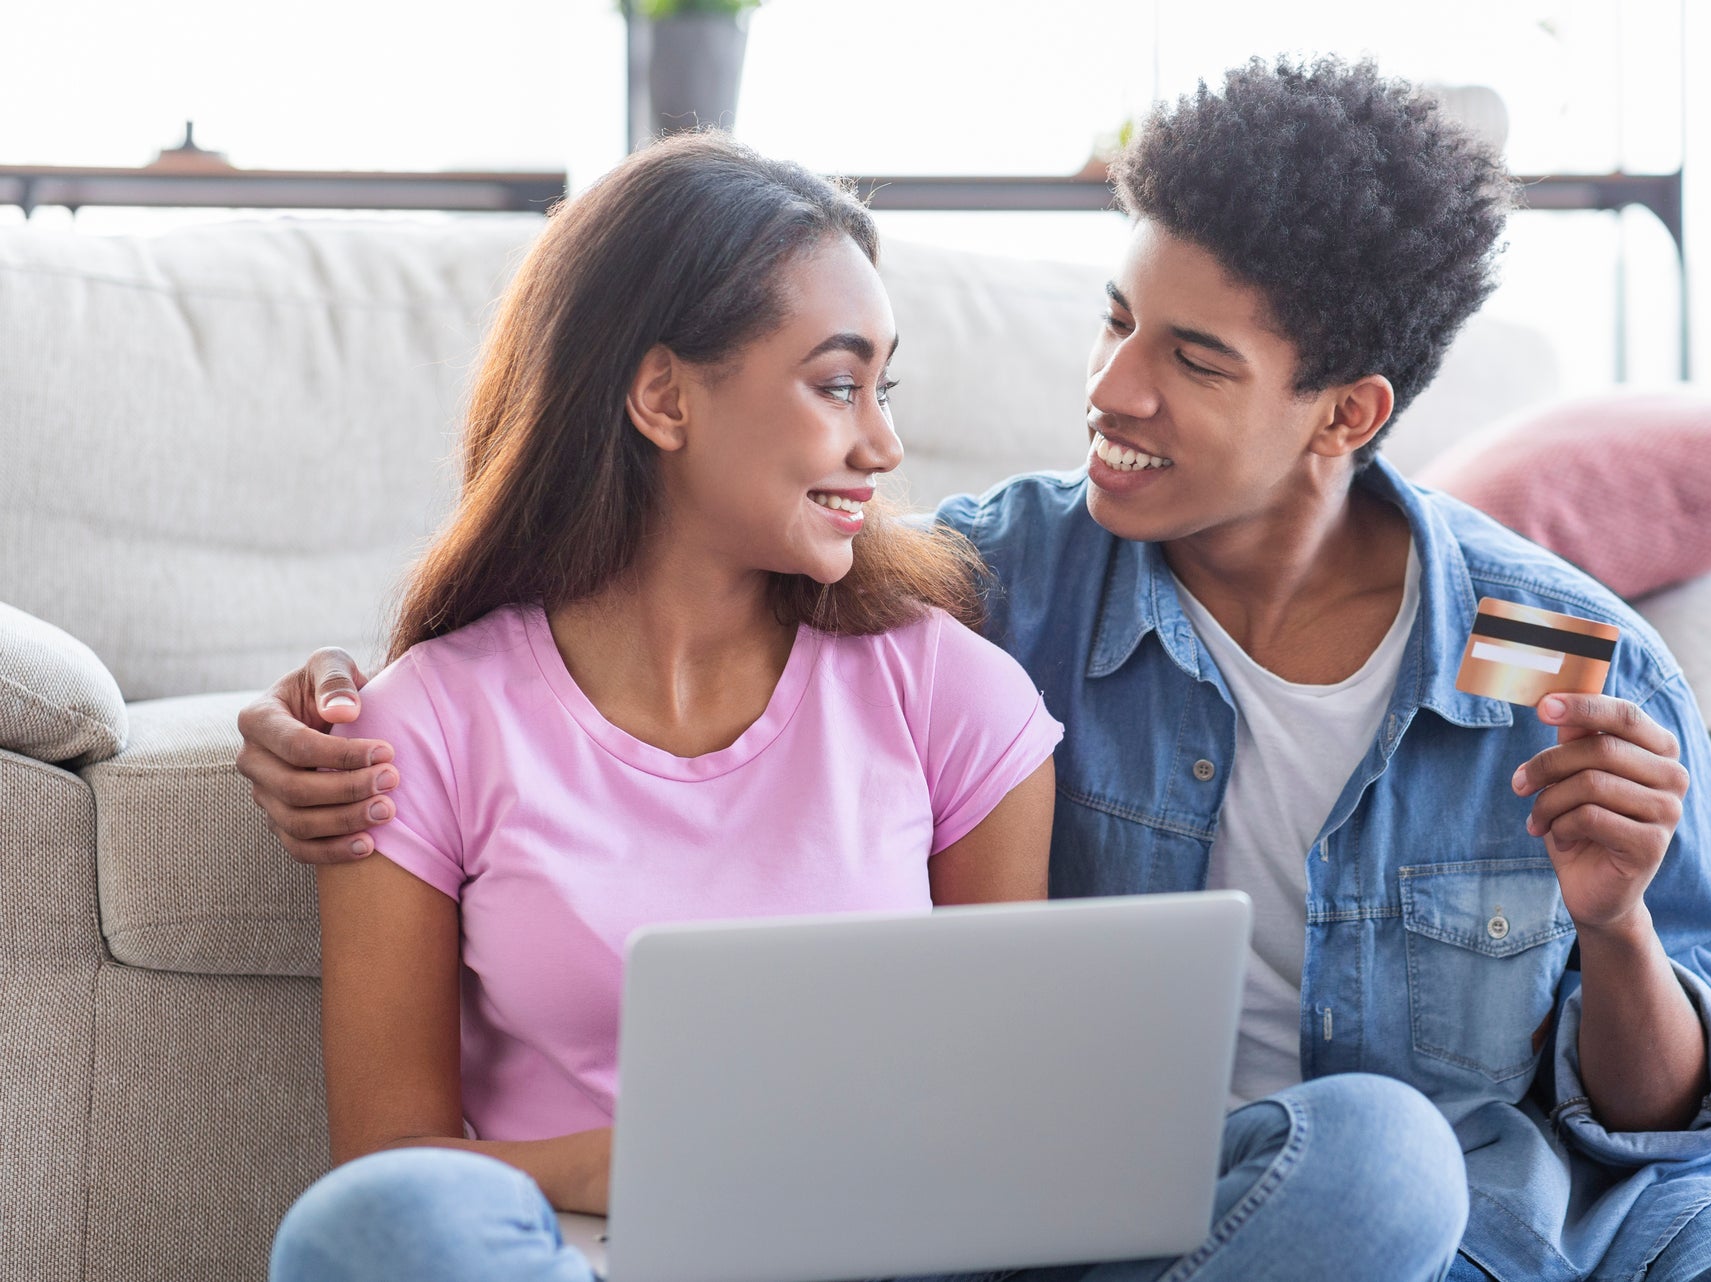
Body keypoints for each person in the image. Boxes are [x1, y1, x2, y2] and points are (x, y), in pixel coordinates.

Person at [240, 59, 1711, 1282]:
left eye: (1192, 358)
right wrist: (334, 698)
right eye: (1116, 323)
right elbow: (710, 559)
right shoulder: (1005, 578)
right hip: (966, 1220)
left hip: (1469, 1201)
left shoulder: (1554, 660)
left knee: (1422, 1167)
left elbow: (1673, 1120)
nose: (1112, 388)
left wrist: (1614, 918)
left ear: (1345, 414)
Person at [257, 129, 1470, 1282]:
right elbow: (391, 1162)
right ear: (664, 401)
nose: (884, 446)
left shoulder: (948, 691)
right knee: (372, 1224)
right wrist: (644, 1172)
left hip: (913, 1258)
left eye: (885, 388)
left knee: (1383, 1156)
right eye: (839, 387)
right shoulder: (419, 728)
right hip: (592, 1254)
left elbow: (1010, 1120)